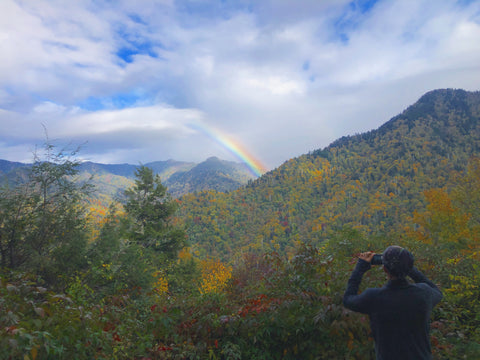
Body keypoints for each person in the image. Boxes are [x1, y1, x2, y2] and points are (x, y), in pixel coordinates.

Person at [343, 245, 443, 360]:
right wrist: (409, 269)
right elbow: (437, 292)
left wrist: (360, 268)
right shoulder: (423, 293)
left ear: (385, 269)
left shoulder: (374, 297)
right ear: (409, 267)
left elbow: (348, 299)